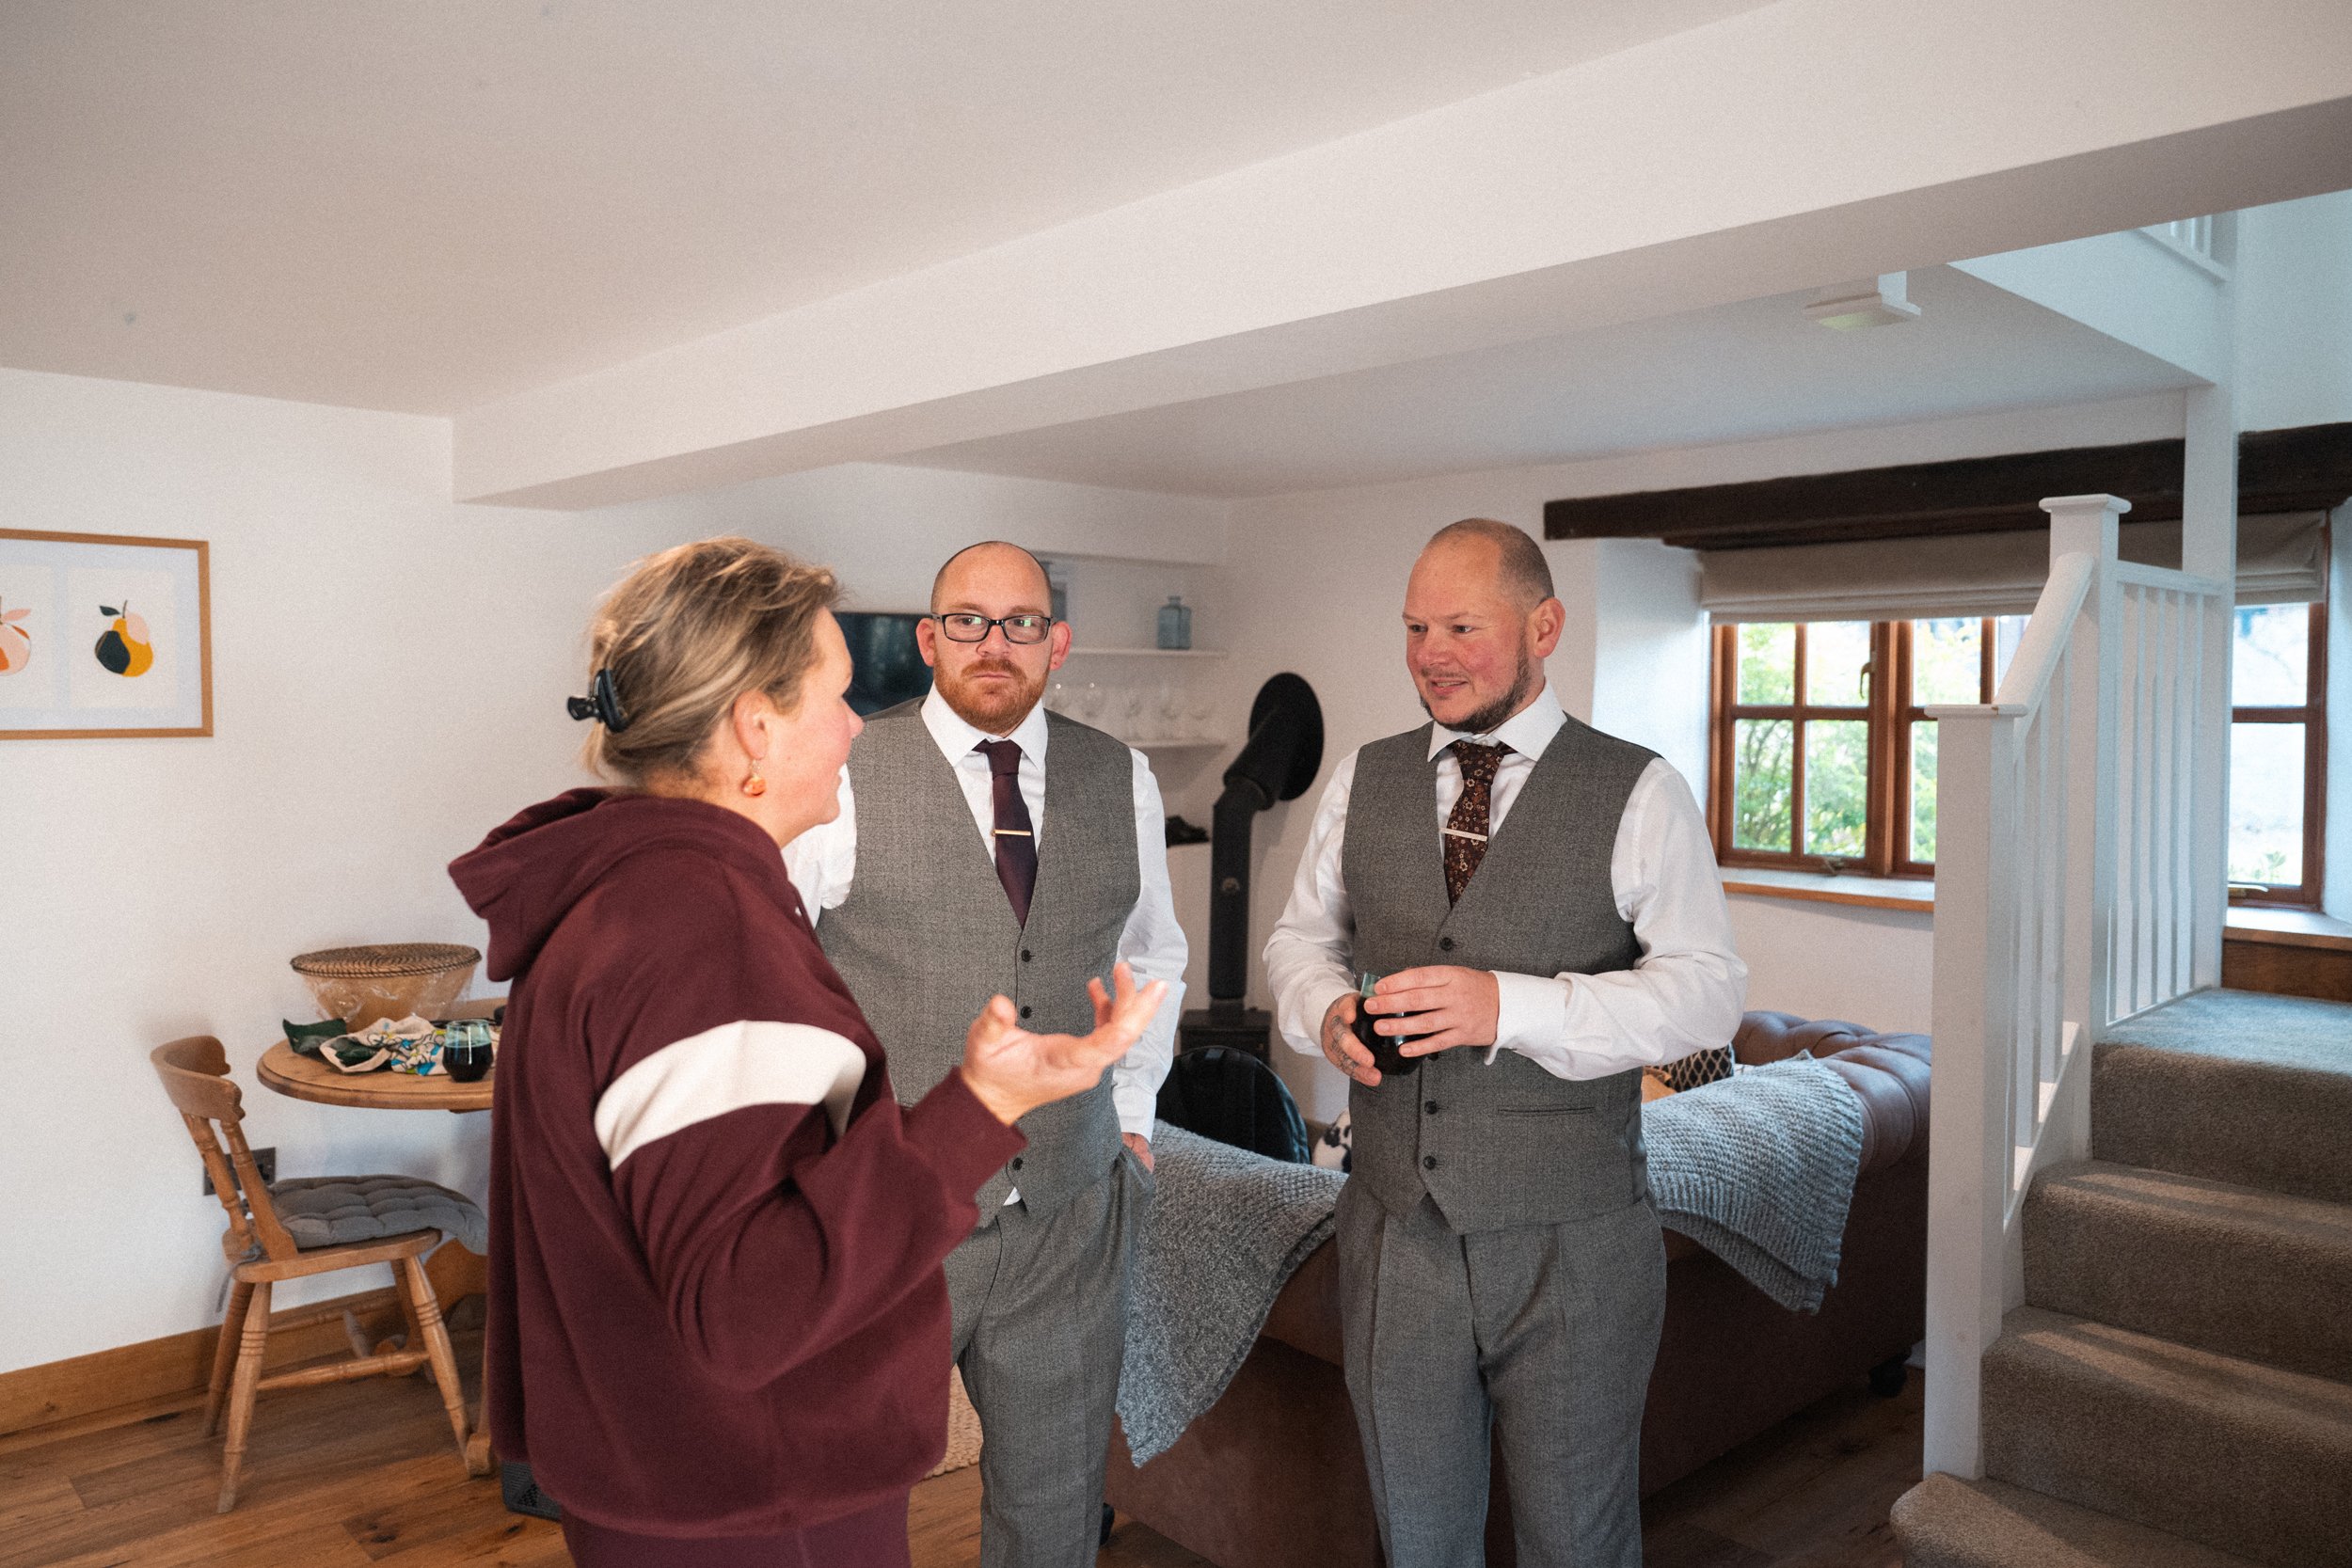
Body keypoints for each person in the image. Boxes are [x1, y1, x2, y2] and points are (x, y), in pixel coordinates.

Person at [449, 536, 1165, 1568]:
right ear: (753, 725)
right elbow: (747, 1302)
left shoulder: (627, 896)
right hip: (751, 1498)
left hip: (669, 1465)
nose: (850, 725)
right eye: (834, 693)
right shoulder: (701, 932)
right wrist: (975, 1106)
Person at [1263, 517, 1746, 1568]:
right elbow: (1299, 941)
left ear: (1544, 626)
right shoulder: (1362, 776)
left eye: (1461, 625)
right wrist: (1324, 1008)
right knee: (1418, 1535)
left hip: (1573, 1237)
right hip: (1392, 1228)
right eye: (1414, 626)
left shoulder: (1641, 788)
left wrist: (1509, 1006)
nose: (1430, 652)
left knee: (1576, 1537)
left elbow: (1706, 998)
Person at [785, 540, 1186, 1568]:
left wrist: (1132, 1115)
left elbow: (1151, 958)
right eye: (967, 620)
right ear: (929, 639)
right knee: (846, 1502)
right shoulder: (844, 770)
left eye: (1019, 622)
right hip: (900, 1210)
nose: (992, 643)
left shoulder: (1120, 773)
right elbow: (782, 975)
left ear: (1057, 642)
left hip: (1070, 1207)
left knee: (1052, 1509)